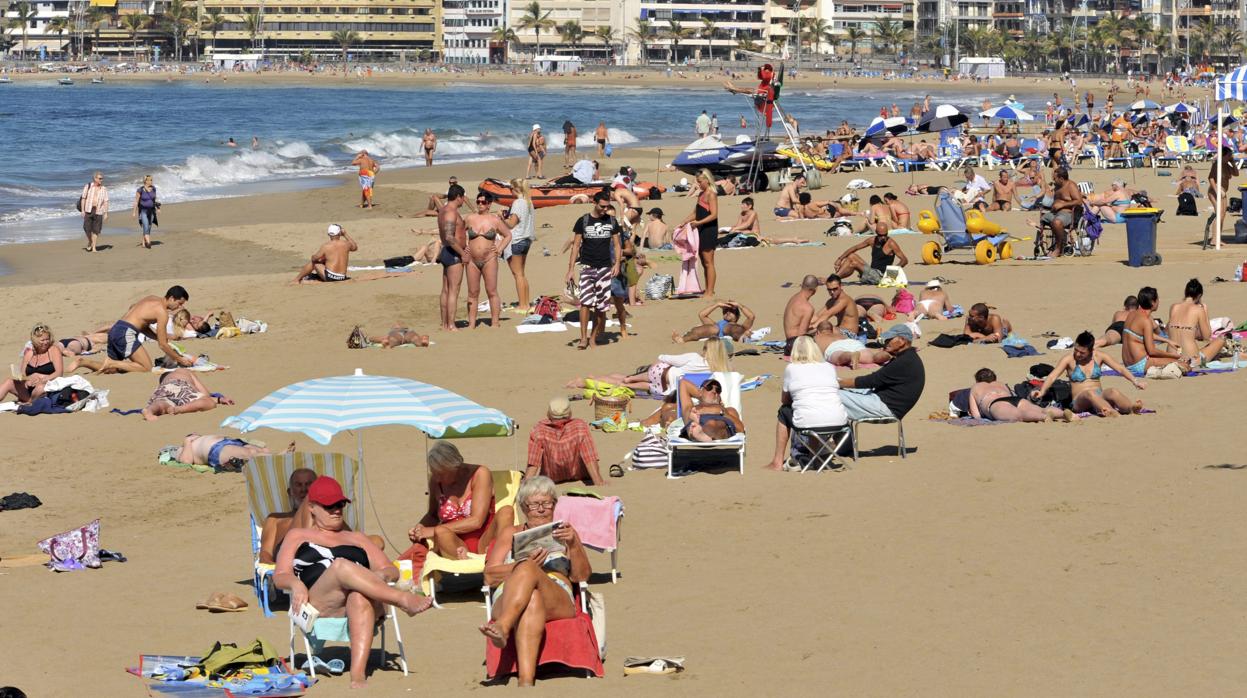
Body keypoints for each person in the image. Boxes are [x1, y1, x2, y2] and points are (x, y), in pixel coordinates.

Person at [274, 476, 433, 689]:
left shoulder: (357, 538)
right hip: (320, 602)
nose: (336, 510)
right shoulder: (298, 535)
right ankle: (403, 600)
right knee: (340, 565)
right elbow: (280, 575)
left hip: (362, 602)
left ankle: (357, 674)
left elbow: (390, 569)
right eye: (329, 505)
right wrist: (296, 584)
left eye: (340, 504)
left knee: (358, 595)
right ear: (311, 507)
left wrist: (378, 578)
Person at [480, 476, 591, 687]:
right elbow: (489, 576)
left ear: (554, 505)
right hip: (508, 595)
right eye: (534, 504)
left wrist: (574, 544)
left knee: (528, 567)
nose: (541, 509)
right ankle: (526, 682)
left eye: (546, 503)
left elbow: (582, 577)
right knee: (531, 595)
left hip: (556, 596)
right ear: (523, 507)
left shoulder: (566, 533)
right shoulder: (509, 533)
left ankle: (503, 625)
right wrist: (520, 566)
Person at [408, 441, 509, 560]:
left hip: (484, 541)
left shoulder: (480, 474)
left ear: (455, 467)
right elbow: (432, 515)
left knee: (507, 511)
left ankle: (496, 556)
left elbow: (476, 521)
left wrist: (432, 530)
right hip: (454, 543)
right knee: (441, 532)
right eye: (434, 473)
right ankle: (465, 562)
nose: (437, 478)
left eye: (440, 474)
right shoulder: (436, 481)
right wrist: (419, 528)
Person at [764, 336, 848, 471]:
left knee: (784, 411)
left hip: (809, 420)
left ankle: (777, 461)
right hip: (839, 421)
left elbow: (785, 400)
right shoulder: (828, 367)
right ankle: (815, 458)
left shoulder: (792, 368)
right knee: (813, 410)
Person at [69, 286, 193, 374]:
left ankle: (83, 362)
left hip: (116, 329)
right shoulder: (162, 312)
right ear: (171, 298)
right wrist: (179, 359)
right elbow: (162, 345)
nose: (180, 307)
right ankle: (113, 362)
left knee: (112, 370)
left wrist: (158, 336)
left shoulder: (151, 298)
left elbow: (140, 320)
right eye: (179, 303)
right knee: (146, 367)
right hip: (125, 333)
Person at [1032, 332, 1146, 417]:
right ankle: (1110, 411)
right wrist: (1042, 391)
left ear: (1091, 351)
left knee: (1112, 391)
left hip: (1099, 395)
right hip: (1080, 400)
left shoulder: (1099, 356)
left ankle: (1131, 408)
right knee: (1089, 393)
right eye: (1076, 350)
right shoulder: (1068, 359)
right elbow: (1053, 376)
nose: (1078, 354)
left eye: (1082, 352)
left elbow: (1120, 369)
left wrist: (1135, 381)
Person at [566, 191, 621, 350]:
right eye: (602, 206)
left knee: (601, 306)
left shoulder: (611, 221)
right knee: (585, 303)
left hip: (605, 267)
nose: (605, 209)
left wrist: (616, 263)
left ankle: (593, 337)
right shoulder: (583, 221)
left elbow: (617, 245)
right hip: (587, 266)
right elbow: (575, 245)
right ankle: (583, 338)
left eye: (607, 206)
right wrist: (570, 269)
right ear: (594, 202)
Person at [837, 324, 925, 422]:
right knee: (835, 392)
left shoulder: (904, 361)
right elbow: (876, 380)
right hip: (883, 400)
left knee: (831, 394)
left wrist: (835, 383)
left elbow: (869, 381)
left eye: (889, 339)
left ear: (902, 341)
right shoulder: (907, 357)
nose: (885, 342)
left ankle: (834, 433)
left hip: (886, 408)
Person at [526, 397, 606, 485]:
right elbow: (590, 457)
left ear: (548, 414)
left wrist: (525, 484)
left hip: (551, 478)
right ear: (570, 414)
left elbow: (533, 462)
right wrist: (598, 481)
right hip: (579, 475)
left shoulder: (539, 430)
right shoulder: (580, 426)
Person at [463, 192, 512, 330]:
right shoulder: (470, 218)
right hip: (472, 260)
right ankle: (472, 323)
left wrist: (500, 248)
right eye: (478, 201)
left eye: (483, 202)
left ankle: (495, 322)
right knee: (472, 292)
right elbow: (459, 232)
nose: (480, 204)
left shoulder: (495, 220)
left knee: (492, 291)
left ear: (489, 204)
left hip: (489, 259)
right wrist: (464, 246)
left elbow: (508, 235)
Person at [1122, 286, 1187, 377]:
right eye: (1157, 299)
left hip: (1128, 364)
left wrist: (1167, 340)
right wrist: (1173, 356)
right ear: (1153, 302)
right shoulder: (1146, 321)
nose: (1159, 301)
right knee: (1185, 365)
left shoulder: (1132, 315)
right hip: (1141, 364)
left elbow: (1142, 335)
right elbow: (1152, 351)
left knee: (1172, 361)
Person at [258, 467, 318, 565]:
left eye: (308, 484)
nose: (304, 489)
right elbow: (265, 554)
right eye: (298, 485)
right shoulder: (274, 520)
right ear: (289, 492)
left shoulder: (328, 517)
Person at [969, 368, 1072, 422]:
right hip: (1014, 399)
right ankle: (1063, 414)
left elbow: (976, 415)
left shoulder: (975, 387)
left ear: (978, 380)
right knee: (1038, 408)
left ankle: (1043, 417)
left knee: (1019, 415)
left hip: (996, 404)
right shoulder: (1001, 384)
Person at [1167, 278, 1227, 367]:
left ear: (1185, 292)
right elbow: (1207, 336)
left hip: (1171, 357)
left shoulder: (1174, 307)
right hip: (1191, 360)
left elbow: (1170, 331)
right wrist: (1205, 310)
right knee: (1222, 339)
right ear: (1199, 296)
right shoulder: (1199, 309)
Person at [0, 323, 64, 403]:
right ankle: (30, 402)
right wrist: (27, 380)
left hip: (46, 388)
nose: (46, 342)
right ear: (35, 340)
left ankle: (30, 404)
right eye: (42, 340)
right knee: (9, 382)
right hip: (28, 390)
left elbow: (59, 373)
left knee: (40, 388)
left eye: (47, 339)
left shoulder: (53, 350)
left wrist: (42, 379)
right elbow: (22, 375)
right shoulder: (29, 354)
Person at [141, 367, 233, 421]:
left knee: (160, 403)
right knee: (208, 402)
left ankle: (149, 410)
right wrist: (218, 399)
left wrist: (219, 399)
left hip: (162, 389)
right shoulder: (184, 371)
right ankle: (178, 409)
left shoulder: (164, 382)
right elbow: (206, 395)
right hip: (180, 384)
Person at [438, 184, 471, 332]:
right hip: (453, 252)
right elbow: (450, 237)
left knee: (446, 289)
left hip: (446, 251)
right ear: (458, 197)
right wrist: (463, 253)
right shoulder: (451, 212)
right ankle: (451, 324)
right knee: (453, 290)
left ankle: (445, 324)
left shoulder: (442, 210)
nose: (464, 200)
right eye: (463, 197)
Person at [680, 169, 719, 296]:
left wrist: (699, 222)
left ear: (707, 180)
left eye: (700, 181)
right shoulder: (701, 194)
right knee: (703, 262)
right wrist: (685, 221)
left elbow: (714, 215)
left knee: (709, 262)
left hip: (709, 229)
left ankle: (710, 291)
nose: (698, 184)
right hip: (700, 229)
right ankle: (708, 289)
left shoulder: (711, 194)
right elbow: (696, 212)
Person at [833, 220, 908, 285]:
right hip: (872, 271)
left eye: (885, 235)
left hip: (880, 276)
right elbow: (855, 248)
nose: (883, 238)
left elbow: (904, 260)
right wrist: (840, 259)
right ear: (876, 233)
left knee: (854, 263)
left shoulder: (891, 244)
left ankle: (833, 279)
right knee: (852, 256)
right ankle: (835, 277)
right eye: (880, 235)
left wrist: (892, 273)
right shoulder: (872, 240)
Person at [503, 178, 535, 311]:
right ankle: (525, 302)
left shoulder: (518, 202)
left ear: (515, 189)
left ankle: (523, 304)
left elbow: (511, 223)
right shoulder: (529, 202)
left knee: (518, 275)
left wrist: (501, 218)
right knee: (521, 273)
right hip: (526, 239)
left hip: (517, 240)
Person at [1040, 166, 1083, 256]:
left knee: (1057, 222)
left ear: (1061, 178)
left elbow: (1079, 201)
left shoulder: (1071, 186)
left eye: (1055, 178)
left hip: (1068, 214)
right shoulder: (1057, 186)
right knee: (1044, 218)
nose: (1053, 180)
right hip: (1055, 213)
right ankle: (1056, 241)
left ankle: (1059, 248)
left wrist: (1062, 205)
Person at [293, 224, 357, 284]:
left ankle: (296, 280)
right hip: (342, 277)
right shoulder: (346, 244)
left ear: (329, 234)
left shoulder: (326, 246)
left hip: (331, 277)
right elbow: (354, 247)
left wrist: (315, 257)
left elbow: (314, 258)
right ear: (339, 233)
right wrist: (345, 234)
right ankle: (315, 277)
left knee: (314, 262)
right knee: (325, 260)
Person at [672, 300, 755, 343]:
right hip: (715, 331)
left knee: (735, 328)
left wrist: (739, 305)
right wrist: (717, 305)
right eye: (725, 311)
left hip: (735, 332)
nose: (728, 312)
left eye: (731, 311)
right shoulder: (715, 325)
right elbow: (702, 315)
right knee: (712, 329)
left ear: (737, 316)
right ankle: (682, 340)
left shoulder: (740, 326)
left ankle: (743, 337)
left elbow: (751, 316)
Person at [812, 274, 863, 340]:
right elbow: (818, 315)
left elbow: (827, 315)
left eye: (835, 289)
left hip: (851, 334)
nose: (832, 292)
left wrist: (813, 327)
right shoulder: (832, 301)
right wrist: (807, 325)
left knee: (824, 328)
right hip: (839, 330)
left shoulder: (844, 300)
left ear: (841, 286)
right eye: (829, 290)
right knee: (820, 328)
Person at [782, 275, 821, 357]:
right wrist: (816, 330)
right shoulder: (807, 308)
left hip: (788, 343)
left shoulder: (794, 298)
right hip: (795, 345)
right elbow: (801, 335)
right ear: (816, 289)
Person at [1208, 147, 1238, 235]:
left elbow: (1236, 173)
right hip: (1215, 190)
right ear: (1223, 155)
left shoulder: (1226, 165)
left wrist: (1232, 162)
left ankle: (1218, 238)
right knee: (1219, 214)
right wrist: (1216, 190)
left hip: (1223, 191)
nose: (1230, 156)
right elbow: (1211, 178)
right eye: (1229, 155)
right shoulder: (1217, 164)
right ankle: (1214, 239)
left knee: (1222, 215)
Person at [79, 171, 109, 253]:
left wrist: (106, 213)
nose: (101, 180)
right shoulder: (88, 186)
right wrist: (82, 210)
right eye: (100, 178)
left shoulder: (104, 189)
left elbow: (106, 201)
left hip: (99, 211)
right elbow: (83, 198)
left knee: (96, 230)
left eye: (102, 178)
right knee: (86, 228)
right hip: (88, 210)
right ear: (95, 178)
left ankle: (94, 248)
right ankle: (90, 241)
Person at [131, 175, 159, 249]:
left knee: (149, 227)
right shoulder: (140, 190)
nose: (151, 181)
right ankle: (148, 243)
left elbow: (154, 200)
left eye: (151, 180)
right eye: (149, 180)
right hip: (143, 211)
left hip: (152, 210)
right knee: (146, 225)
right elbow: (136, 201)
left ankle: (143, 242)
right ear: (145, 181)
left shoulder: (153, 188)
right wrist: (134, 212)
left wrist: (158, 208)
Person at [351, 325, 430, 348]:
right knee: (415, 338)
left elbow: (376, 339)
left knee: (391, 339)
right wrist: (424, 337)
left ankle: (388, 343)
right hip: (409, 333)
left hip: (396, 334)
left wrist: (369, 338)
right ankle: (422, 341)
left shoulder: (394, 331)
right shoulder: (411, 331)